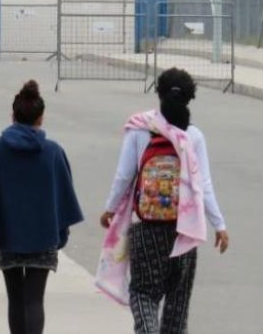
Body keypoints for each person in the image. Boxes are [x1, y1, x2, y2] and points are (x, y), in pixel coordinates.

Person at [95, 67, 229, 334]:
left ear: (159, 94)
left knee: (144, 293)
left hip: (147, 229)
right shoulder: (194, 137)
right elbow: (203, 186)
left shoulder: (139, 130)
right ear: (190, 99)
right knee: (177, 305)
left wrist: (110, 209)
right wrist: (220, 224)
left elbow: (124, 176)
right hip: (186, 230)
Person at [0, 80, 83, 334]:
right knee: (34, 299)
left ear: (13, 115)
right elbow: (64, 196)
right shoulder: (53, 151)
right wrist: (60, 231)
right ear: (41, 118)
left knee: (15, 298)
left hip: (7, 234)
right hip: (43, 237)